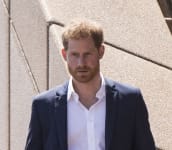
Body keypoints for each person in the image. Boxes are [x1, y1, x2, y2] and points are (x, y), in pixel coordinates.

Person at [25, 19, 156, 150]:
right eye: (74, 55)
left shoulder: (130, 100)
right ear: (64, 54)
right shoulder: (43, 105)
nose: (81, 63)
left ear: (101, 52)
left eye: (87, 54)